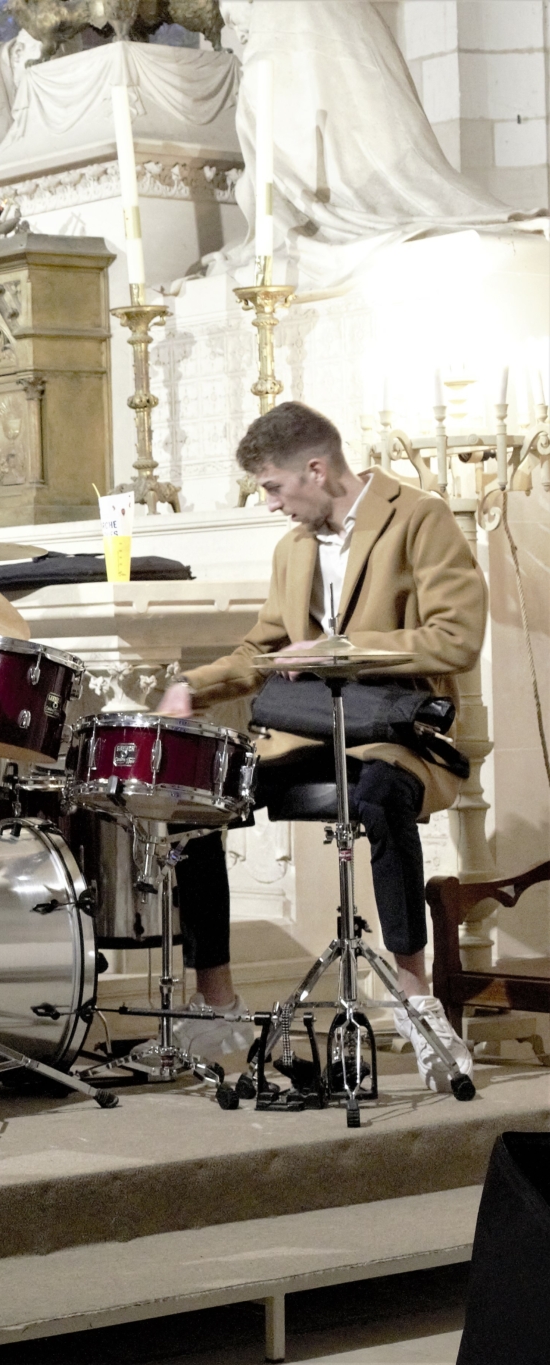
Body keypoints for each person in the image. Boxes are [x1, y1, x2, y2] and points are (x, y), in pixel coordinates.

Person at [155, 401, 484, 1087]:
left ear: (315, 468)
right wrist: (192, 686)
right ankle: (217, 1003)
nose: (272, 504)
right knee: (194, 799)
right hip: (308, 728)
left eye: (274, 487)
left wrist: (342, 647)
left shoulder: (419, 518)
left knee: (380, 793)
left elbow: (456, 636)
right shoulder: (294, 548)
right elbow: (264, 648)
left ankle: (418, 1004)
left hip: (397, 731)